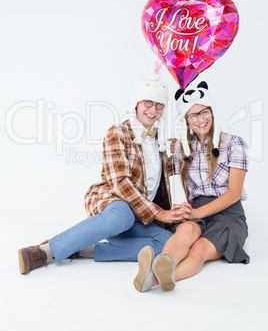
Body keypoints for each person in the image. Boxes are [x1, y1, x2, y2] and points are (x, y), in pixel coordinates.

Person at [18, 61, 191, 274]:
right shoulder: (117, 133)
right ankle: (44, 251)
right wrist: (159, 213)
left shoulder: (161, 141)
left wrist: (184, 146)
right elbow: (120, 184)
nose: (153, 110)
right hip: (114, 203)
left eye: (158, 105)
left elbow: (171, 171)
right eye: (148, 102)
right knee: (122, 216)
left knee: (170, 243)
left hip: (140, 214)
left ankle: (83, 250)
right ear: (137, 103)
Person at [133, 81, 249, 292]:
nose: (200, 119)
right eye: (193, 115)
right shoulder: (182, 148)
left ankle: (153, 279)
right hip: (196, 210)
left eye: (204, 112)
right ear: (186, 120)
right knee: (185, 229)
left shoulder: (233, 143)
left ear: (212, 112)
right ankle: (162, 263)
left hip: (228, 214)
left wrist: (195, 211)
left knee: (199, 248)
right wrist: (159, 145)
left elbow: (233, 194)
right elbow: (159, 173)